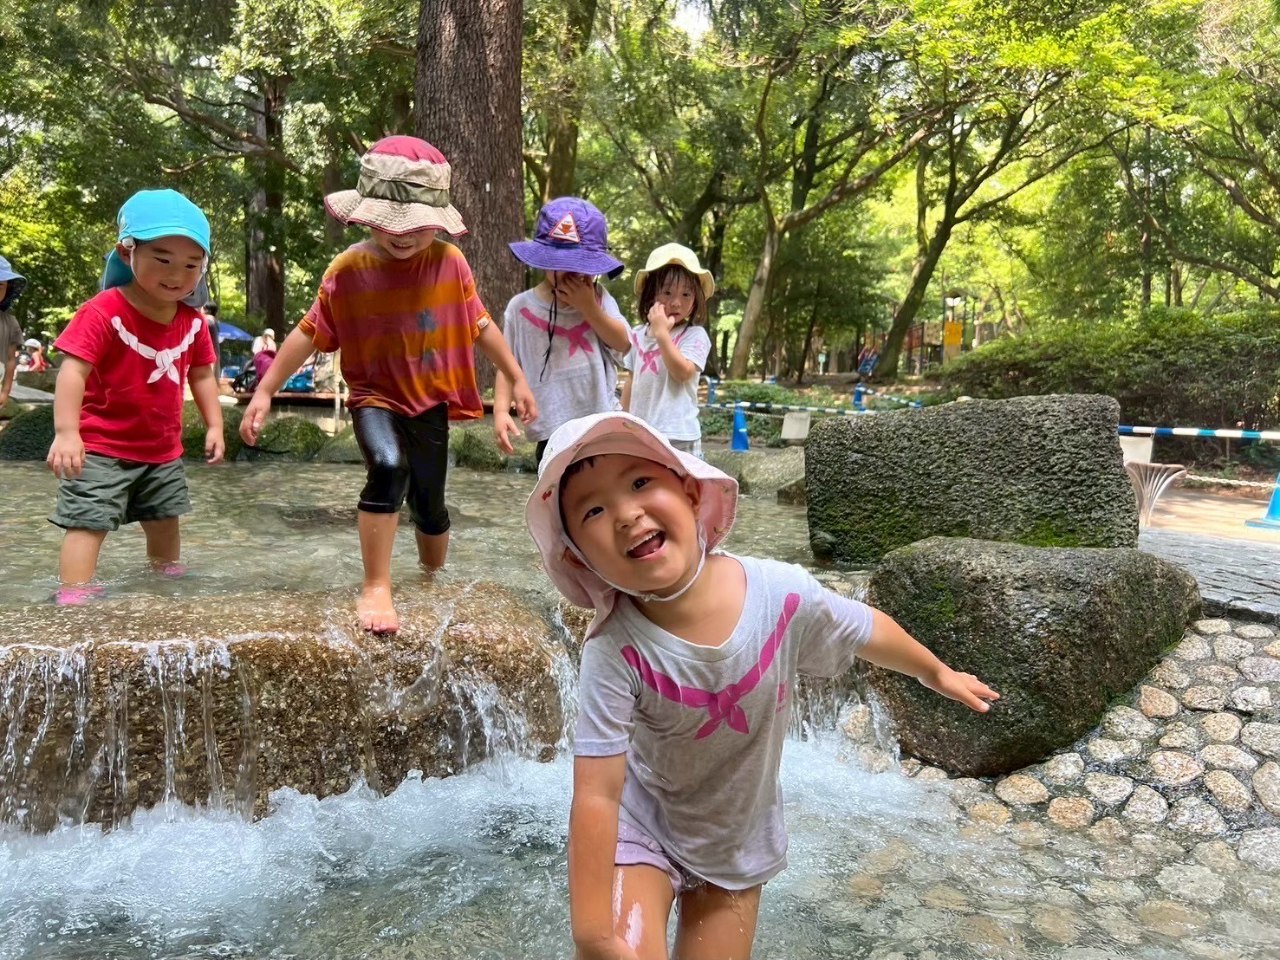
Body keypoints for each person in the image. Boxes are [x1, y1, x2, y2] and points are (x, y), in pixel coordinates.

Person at [525, 412, 1000, 960]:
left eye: (640, 482)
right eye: (593, 510)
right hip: (643, 825)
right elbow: (597, 793)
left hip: (736, 837)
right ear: (579, 557)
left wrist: (933, 671)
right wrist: (591, 932)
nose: (626, 514)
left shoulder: (780, 593)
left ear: (689, 491)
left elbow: (862, 627)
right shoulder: (615, 649)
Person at [240, 135, 537, 634]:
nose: (403, 235)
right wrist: (266, 389)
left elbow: (479, 323)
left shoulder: (449, 263)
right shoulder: (349, 269)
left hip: (429, 398)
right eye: (390, 222)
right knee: (388, 466)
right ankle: (376, 585)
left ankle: (431, 579)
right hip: (374, 395)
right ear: (366, 215)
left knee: (430, 503)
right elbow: (310, 331)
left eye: (417, 226)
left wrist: (517, 377)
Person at [45, 189, 224, 605]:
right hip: (100, 447)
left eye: (191, 265)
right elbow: (73, 371)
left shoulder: (193, 323)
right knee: (87, 521)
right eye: (162, 259)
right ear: (127, 253)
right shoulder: (103, 311)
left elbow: (201, 375)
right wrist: (67, 432)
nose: (176, 274)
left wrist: (215, 424)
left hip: (162, 450)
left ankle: (165, 581)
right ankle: (74, 592)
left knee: (165, 518)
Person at [493, 197, 631, 463]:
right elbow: (506, 365)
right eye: (565, 266)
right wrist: (500, 411)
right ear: (544, 261)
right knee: (555, 488)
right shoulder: (520, 309)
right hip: (551, 430)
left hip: (599, 424)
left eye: (584, 267)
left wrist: (589, 308)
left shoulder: (599, 298)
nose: (575, 274)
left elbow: (623, 343)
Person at [622, 243, 714, 456]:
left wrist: (662, 334)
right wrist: (622, 420)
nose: (676, 302)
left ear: (696, 299)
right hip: (641, 435)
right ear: (650, 293)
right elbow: (631, 380)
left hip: (679, 436)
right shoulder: (637, 334)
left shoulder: (695, 335)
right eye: (667, 292)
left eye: (686, 294)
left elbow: (683, 373)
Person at [0, 255, 27, 408]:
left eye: (0, 285)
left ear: (8, 289)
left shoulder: (10, 323)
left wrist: (5, 391)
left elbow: (11, 359)